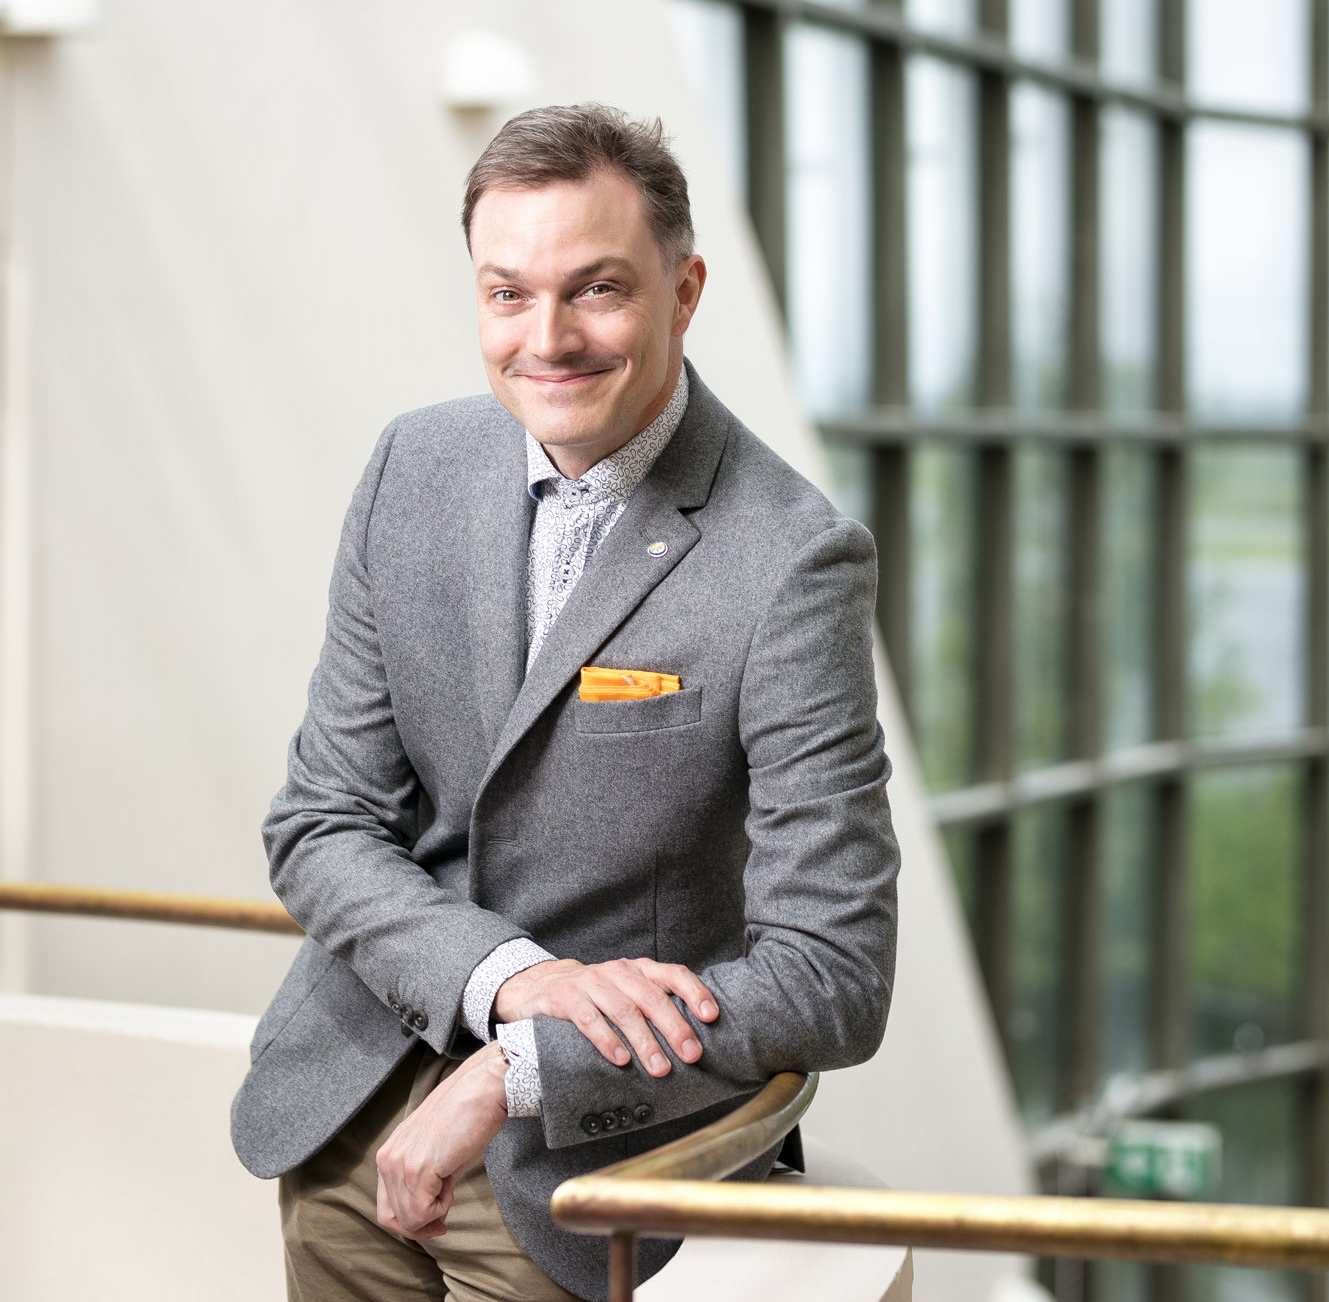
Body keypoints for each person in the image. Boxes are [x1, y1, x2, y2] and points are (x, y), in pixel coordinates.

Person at [232, 103, 900, 1302]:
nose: (547, 339)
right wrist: (507, 978)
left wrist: (521, 1061)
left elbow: (832, 971)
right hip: (348, 1112)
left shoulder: (792, 558)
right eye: (508, 293)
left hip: (583, 1173)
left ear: (683, 291)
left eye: (597, 288)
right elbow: (321, 824)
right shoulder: (409, 469)